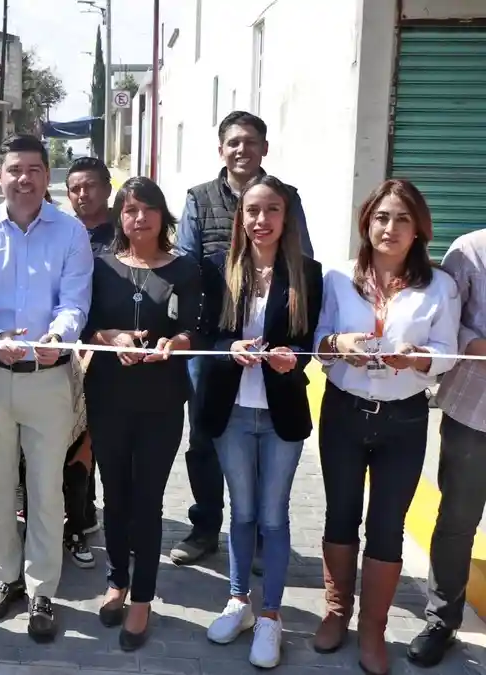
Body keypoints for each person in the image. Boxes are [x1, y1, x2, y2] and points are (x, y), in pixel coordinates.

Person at [311, 179, 459, 675]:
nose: (389, 228)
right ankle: (336, 613)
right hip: (344, 412)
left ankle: (372, 630)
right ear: (366, 223)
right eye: (380, 217)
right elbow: (319, 345)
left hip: (404, 419)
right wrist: (340, 343)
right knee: (340, 513)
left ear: (418, 230)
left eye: (401, 219)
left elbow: (446, 355)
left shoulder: (439, 286)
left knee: (387, 525)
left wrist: (417, 359)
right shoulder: (338, 277)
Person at [0, 134, 92, 642]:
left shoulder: (70, 233)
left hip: (48, 378)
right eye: (15, 169)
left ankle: (41, 590)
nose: (25, 178)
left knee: (45, 489)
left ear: (45, 176)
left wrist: (59, 336)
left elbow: (74, 300)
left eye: (35, 169)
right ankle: (4, 578)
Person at [174, 111, 314, 567]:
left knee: (263, 435)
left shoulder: (287, 196)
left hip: (271, 336)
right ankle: (205, 526)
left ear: (264, 149)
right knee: (205, 435)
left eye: (250, 142)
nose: (241, 150)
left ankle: (255, 532)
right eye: (233, 142)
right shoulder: (199, 198)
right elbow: (190, 269)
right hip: (216, 339)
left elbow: (303, 263)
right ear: (221, 150)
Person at [197, 176, 323, 668]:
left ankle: (271, 616)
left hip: (281, 414)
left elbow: (313, 340)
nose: (261, 220)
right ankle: (238, 603)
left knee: (273, 516)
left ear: (285, 216)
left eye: (271, 210)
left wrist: (297, 360)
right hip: (230, 411)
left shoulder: (307, 274)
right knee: (242, 512)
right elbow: (204, 336)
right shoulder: (217, 269)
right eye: (252, 210)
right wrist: (228, 349)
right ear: (240, 217)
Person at [85, 177, 203, 651]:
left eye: (148, 209)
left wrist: (176, 343)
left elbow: (197, 328)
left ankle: (143, 598)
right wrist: (110, 337)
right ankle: (116, 580)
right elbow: (87, 323)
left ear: (163, 215)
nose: (139, 218)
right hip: (108, 395)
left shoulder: (186, 268)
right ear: (119, 216)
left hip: (161, 398)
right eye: (130, 209)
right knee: (114, 493)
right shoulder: (100, 266)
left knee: (147, 499)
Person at [407, 228, 486, 667]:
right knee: (458, 520)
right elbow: (446, 323)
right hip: (475, 409)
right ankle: (442, 620)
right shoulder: (470, 250)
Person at [60, 156, 114, 568]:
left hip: (111, 353)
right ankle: (77, 514)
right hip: (65, 352)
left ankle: (88, 516)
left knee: (94, 441)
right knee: (71, 442)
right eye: (75, 188)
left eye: (90, 186)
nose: (83, 194)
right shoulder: (62, 233)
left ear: (107, 188)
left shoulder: (125, 233)